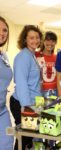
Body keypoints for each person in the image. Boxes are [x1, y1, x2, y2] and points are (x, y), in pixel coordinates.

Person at [10, 25, 43, 150]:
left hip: (31, 103)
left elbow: (33, 83)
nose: (35, 40)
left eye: (37, 37)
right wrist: (28, 108)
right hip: (22, 104)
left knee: (28, 139)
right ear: (25, 40)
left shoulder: (32, 55)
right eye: (31, 38)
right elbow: (22, 83)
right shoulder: (23, 56)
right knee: (24, 139)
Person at [0, 16, 14, 150]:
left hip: (2, 110)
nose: (2, 33)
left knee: (8, 140)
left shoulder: (4, 56)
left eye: (4, 30)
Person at [35, 31, 57, 98]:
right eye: (47, 40)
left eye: (53, 41)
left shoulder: (57, 58)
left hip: (54, 91)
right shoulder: (36, 55)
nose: (50, 43)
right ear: (43, 41)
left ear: (55, 43)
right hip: (39, 91)